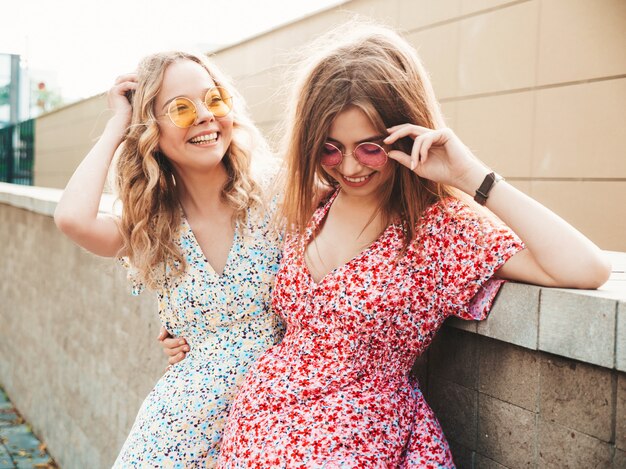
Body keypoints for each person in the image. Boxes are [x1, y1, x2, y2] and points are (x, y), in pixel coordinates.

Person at [202, 23, 610, 467]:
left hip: (355, 442)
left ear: (406, 133)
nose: (350, 166)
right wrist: (186, 331)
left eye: (370, 148)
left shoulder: (439, 230)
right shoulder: (313, 205)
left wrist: (470, 175)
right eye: (330, 148)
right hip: (254, 431)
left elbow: (586, 267)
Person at [54, 51, 284, 467]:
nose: (203, 117)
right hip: (180, 428)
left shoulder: (279, 193)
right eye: (180, 108)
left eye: (213, 100)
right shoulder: (151, 224)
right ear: (150, 130)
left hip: (276, 418)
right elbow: (72, 218)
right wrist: (115, 126)